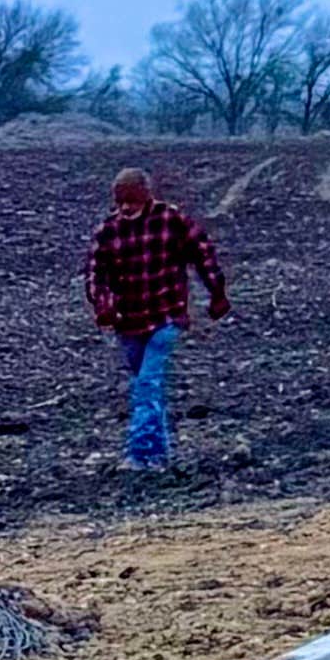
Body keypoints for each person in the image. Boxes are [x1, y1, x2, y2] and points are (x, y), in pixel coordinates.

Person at [86, 166, 230, 472]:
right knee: (145, 385)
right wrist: (102, 304)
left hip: (166, 317)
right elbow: (95, 275)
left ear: (147, 196)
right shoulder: (107, 231)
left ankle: (139, 455)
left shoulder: (171, 220)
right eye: (121, 202)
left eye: (133, 201)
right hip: (128, 322)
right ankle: (160, 456)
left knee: (147, 385)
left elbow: (204, 254)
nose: (126, 208)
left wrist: (217, 293)